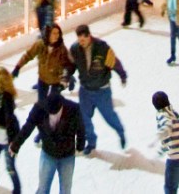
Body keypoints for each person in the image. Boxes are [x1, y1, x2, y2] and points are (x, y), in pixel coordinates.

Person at [12, 89, 85, 194]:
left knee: (66, 190)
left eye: (55, 112)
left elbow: (80, 129)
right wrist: (16, 145)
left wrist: (80, 146)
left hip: (67, 156)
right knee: (43, 188)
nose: (53, 115)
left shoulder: (73, 109)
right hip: (48, 154)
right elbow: (28, 127)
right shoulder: (39, 108)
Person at [69, 25, 127, 153]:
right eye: (79, 40)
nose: (81, 43)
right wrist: (68, 76)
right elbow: (70, 65)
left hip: (102, 90)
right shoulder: (75, 49)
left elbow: (115, 62)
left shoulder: (102, 48)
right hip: (85, 90)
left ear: (88, 36)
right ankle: (91, 142)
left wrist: (122, 75)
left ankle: (120, 131)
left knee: (109, 116)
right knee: (84, 118)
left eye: (83, 40)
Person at [11, 23, 71, 109]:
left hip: (56, 81)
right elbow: (28, 55)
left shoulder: (61, 48)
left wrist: (65, 79)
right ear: (48, 34)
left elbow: (67, 64)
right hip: (43, 79)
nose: (56, 36)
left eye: (58, 33)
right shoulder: (40, 44)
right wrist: (17, 67)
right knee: (42, 104)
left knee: (53, 103)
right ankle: (44, 120)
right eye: (54, 33)